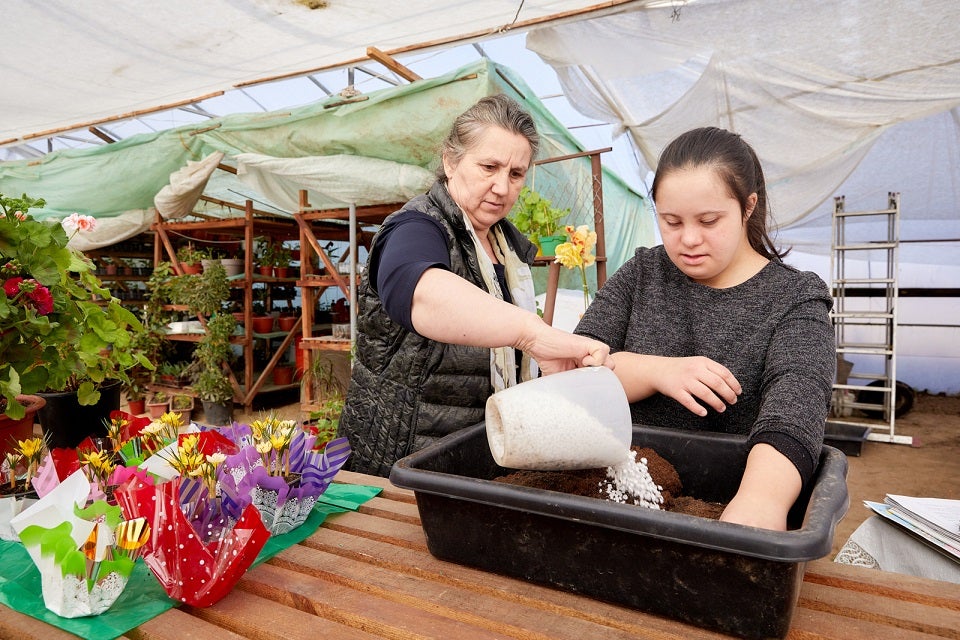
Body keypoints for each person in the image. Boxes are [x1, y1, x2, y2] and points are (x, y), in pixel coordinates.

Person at [575, 126, 835, 531]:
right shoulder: (643, 274)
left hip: (728, 504)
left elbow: (796, 406)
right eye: (671, 221)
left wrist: (761, 501)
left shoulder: (794, 297)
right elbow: (572, 375)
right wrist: (656, 370)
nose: (689, 240)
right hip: (618, 500)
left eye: (709, 220)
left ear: (748, 207)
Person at [338, 94, 612, 477]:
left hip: (480, 459)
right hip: (402, 467)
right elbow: (421, 293)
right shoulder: (416, 227)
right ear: (451, 161)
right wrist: (533, 335)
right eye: (489, 167)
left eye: (516, 174)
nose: (502, 186)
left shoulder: (508, 247)